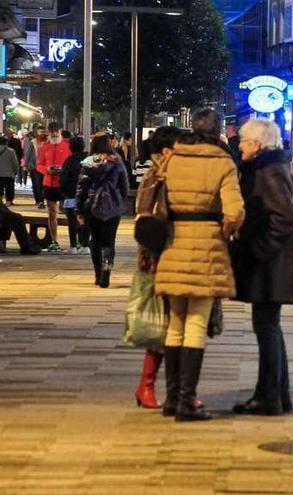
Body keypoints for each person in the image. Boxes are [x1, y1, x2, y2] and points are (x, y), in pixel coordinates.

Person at [153, 108, 245, 421]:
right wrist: (228, 229)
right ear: (217, 131)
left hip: (172, 245)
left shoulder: (173, 158)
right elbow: (234, 212)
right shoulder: (222, 162)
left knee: (175, 322)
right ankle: (187, 400)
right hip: (207, 246)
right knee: (196, 323)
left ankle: (170, 397)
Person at [231, 119, 293, 415]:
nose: (240, 145)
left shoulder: (268, 171)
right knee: (269, 327)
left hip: (273, 264)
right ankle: (276, 393)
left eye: (244, 141)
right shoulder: (266, 168)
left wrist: (258, 250)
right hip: (272, 262)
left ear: (258, 145)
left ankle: (269, 396)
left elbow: (284, 218)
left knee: (267, 327)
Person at [132, 126, 183, 410]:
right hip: (159, 258)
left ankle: (152, 387)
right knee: (165, 326)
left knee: (171, 326)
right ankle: (148, 386)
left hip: (169, 256)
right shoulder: (157, 178)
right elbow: (147, 223)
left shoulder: (164, 176)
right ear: (166, 151)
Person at [75, 134, 128, 287]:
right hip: (113, 207)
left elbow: (81, 188)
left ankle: (98, 274)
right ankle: (106, 271)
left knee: (96, 242)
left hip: (92, 206)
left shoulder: (88, 162)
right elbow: (124, 186)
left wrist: (79, 209)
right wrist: (119, 201)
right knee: (109, 242)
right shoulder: (118, 162)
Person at [37, 122, 72, 252]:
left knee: (71, 213)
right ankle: (54, 240)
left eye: (56, 131)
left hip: (64, 184)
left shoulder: (67, 147)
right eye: (52, 131)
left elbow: (71, 164)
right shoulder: (44, 147)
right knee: (52, 213)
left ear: (60, 131)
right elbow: (39, 165)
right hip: (49, 183)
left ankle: (75, 241)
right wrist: (47, 169)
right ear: (49, 132)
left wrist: (63, 170)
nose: (54, 133)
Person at [59, 137, 90, 254]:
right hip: (86, 195)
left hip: (71, 195)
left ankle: (73, 246)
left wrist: (64, 192)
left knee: (72, 221)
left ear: (70, 147)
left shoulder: (68, 161)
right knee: (85, 220)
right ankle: (85, 245)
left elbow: (63, 179)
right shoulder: (89, 160)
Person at [0, 136, 18, 205]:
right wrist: (16, 171)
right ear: (6, 142)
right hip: (8, 173)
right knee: (9, 188)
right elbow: (15, 162)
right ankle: (8, 201)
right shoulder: (11, 151)